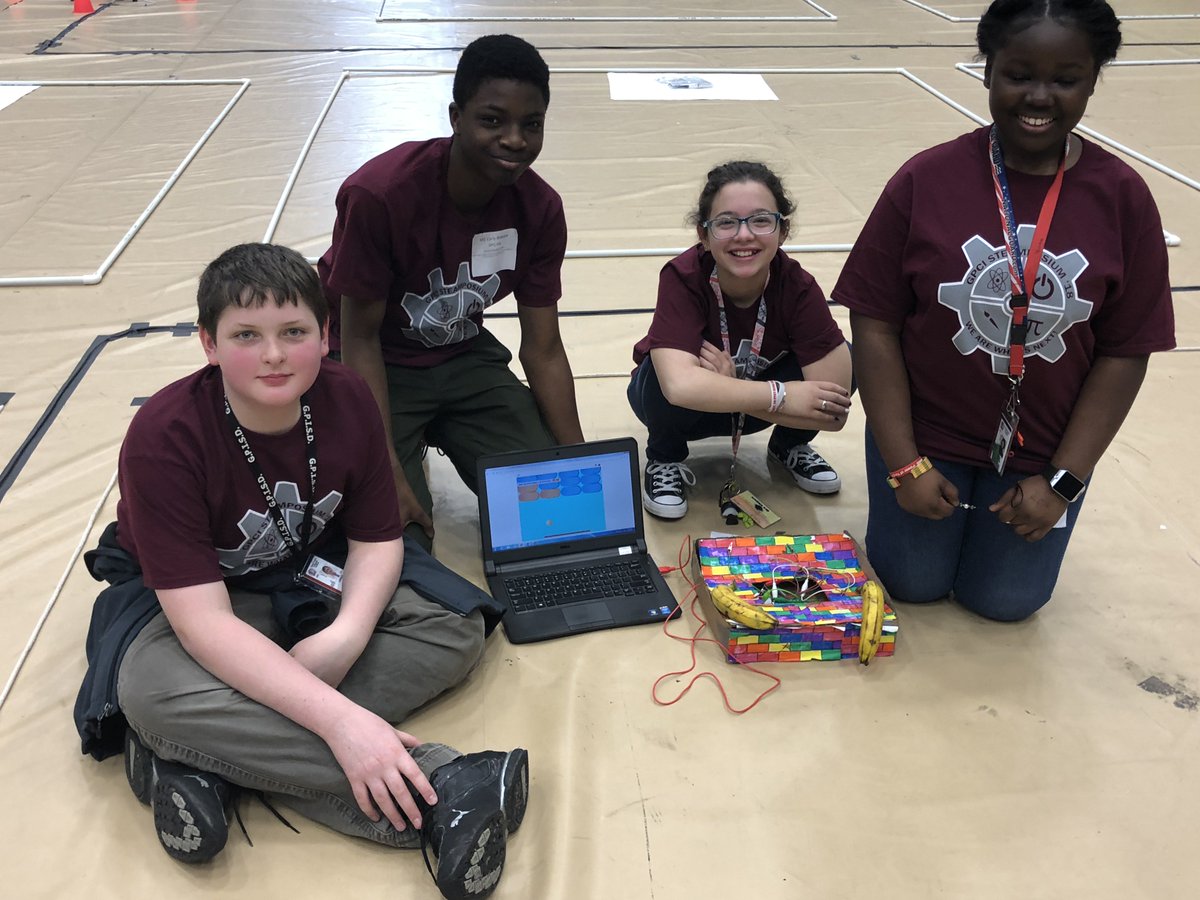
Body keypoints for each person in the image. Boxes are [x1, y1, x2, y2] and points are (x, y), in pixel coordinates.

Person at [73, 244, 527, 900]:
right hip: (197, 596)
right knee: (149, 692)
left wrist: (342, 638)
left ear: (324, 336)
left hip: (310, 567)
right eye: (246, 336)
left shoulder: (348, 397)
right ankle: (448, 789)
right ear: (207, 344)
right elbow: (201, 624)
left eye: (294, 332)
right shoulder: (162, 436)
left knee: (455, 625)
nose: (275, 355)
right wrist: (342, 723)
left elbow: (377, 542)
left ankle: (204, 763)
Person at [833, 0, 1175, 621]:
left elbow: (1126, 353)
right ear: (988, 70)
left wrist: (1062, 482)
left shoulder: (1123, 199)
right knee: (910, 584)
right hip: (925, 440)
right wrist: (906, 463)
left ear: (1094, 79)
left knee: (1007, 603)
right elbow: (874, 324)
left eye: (1065, 79)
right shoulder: (925, 179)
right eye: (1019, 74)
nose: (1039, 96)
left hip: (1043, 455)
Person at [318, 34, 583, 550]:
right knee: (397, 539)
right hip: (377, 363)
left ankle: (443, 432)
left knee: (554, 509)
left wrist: (575, 457)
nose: (514, 139)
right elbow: (360, 340)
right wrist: (386, 468)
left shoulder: (541, 209)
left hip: (463, 356)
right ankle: (405, 446)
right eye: (492, 119)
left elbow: (543, 347)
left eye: (531, 125)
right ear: (455, 116)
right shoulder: (380, 195)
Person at [627, 160, 853, 519]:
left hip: (747, 408)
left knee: (846, 357)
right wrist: (780, 395)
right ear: (704, 235)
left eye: (761, 220)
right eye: (726, 222)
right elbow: (679, 388)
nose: (744, 235)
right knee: (661, 368)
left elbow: (834, 409)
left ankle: (788, 444)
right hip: (685, 412)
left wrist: (731, 387)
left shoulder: (797, 285)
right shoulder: (682, 277)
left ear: (783, 230)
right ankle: (664, 458)